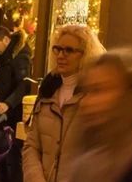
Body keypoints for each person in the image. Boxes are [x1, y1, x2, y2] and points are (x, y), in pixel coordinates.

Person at [63, 49, 132, 182]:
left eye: (98, 90)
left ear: (130, 96)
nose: (86, 102)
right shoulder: (87, 162)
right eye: (86, 92)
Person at [23, 24, 102, 182]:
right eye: (58, 49)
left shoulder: (95, 96)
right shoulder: (47, 92)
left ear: (85, 54)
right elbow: (31, 145)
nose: (60, 55)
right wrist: (35, 178)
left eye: (69, 50)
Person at [0, 26, 32, 182]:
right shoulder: (7, 55)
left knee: (11, 158)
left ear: (6, 39)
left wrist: (7, 104)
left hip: (13, 114)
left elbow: (23, 85)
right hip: (4, 112)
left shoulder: (20, 56)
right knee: (3, 157)